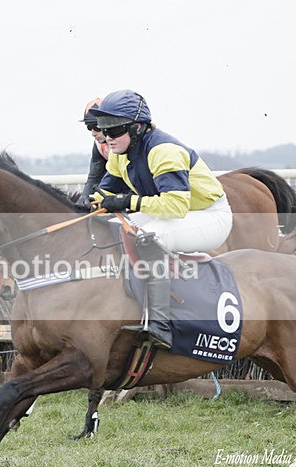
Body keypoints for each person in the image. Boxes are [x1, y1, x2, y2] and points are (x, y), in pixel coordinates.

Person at [90, 89, 233, 349]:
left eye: (114, 130)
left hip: (209, 215)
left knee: (150, 238)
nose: (107, 137)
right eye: (104, 129)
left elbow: (175, 206)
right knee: (113, 228)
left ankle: (161, 324)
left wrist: (127, 202)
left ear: (137, 128)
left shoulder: (163, 150)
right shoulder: (119, 153)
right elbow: (104, 194)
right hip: (170, 211)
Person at [77, 98, 110, 207]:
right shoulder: (99, 145)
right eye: (89, 127)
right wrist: (83, 201)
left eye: (96, 127)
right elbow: (94, 177)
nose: (93, 134)